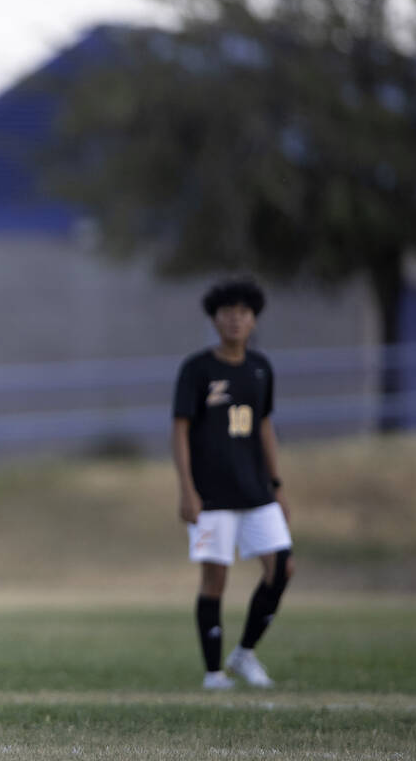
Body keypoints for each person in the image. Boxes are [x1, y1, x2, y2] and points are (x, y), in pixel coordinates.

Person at [171, 278, 295, 690]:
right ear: (215, 319)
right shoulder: (197, 369)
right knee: (215, 579)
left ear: (254, 320)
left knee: (283, 567)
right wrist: (187, 489)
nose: (235, 320)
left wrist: (277, 485)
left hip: (257, 489)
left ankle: (244, 653)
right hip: (212, 495)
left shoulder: (261, 369)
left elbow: (264, 426)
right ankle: (212, 673)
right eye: (227, 312)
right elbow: (180, 431)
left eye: (243, 313)